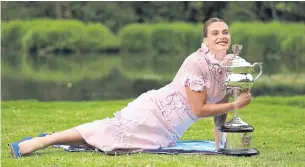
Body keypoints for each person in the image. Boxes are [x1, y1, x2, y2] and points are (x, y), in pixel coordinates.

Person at [10, 17, 252, 158]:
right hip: (154, 113)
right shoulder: (196, 61)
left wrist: (223, 145)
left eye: (225, 32)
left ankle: (52, 139)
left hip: (168, 132)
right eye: (215, 33)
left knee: (112, 143)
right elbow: (198, 109)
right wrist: (236, 103)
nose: (222, 36)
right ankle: (43, 142)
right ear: (205, 39)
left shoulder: (231, 66)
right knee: (108, 130)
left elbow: (220, 110)